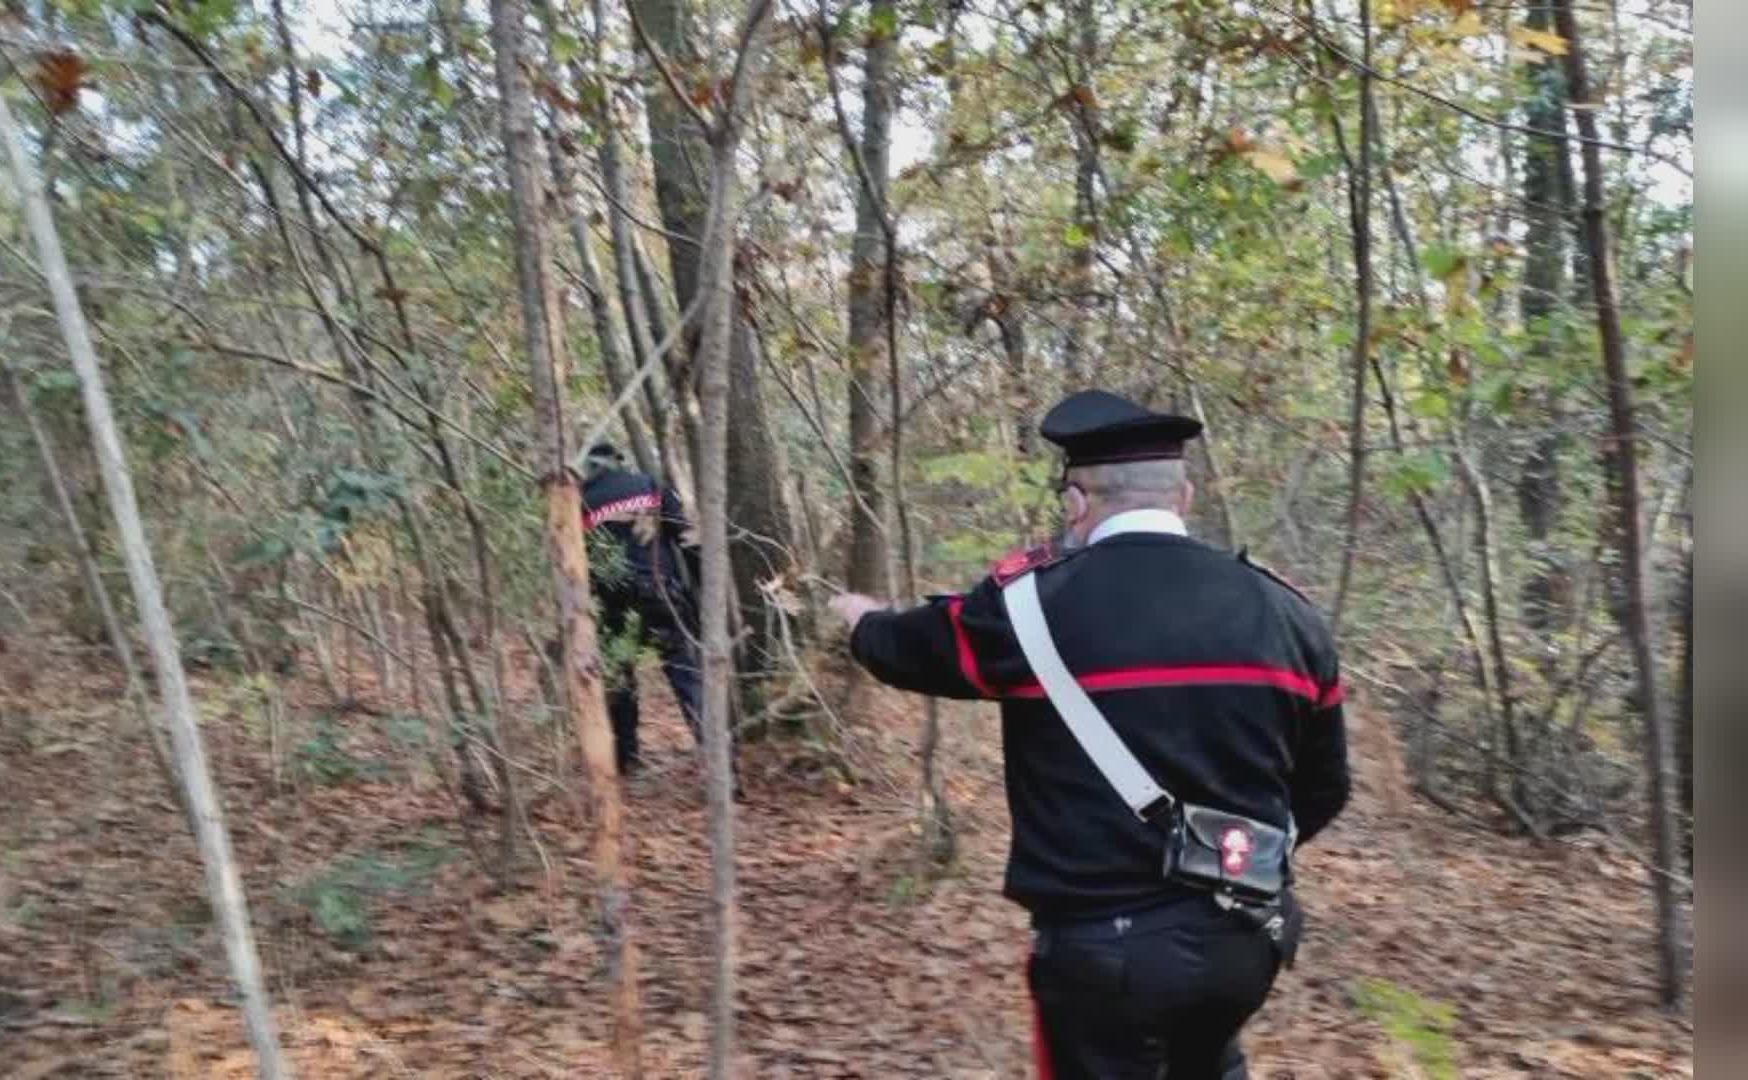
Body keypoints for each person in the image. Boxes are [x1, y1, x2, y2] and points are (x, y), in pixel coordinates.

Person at [828, 390, 1351, 1080]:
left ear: (1076, 501)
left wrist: (860, 620)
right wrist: (1227, 854)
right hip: (1244, 938)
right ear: (1184, 495)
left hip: (1103, 958)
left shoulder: (1028, 607)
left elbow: (906, 649)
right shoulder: (1288, 614)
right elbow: (1324, 787)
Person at [579, 442, 706, 776]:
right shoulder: (649, 485)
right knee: (685, 674)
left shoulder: (579, 501)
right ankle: (722, 762)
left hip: (612, 601)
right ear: (619, 463)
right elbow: (688, 539)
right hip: (660, 591)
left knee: (620, 678)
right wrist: (703, 586)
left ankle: (625, 759)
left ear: (590, 468)